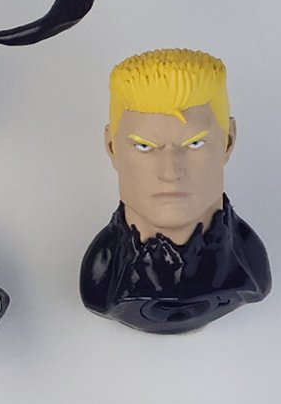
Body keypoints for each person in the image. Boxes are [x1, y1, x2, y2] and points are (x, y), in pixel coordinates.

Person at [79, 49, 270, 333]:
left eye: (194, 144)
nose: (169, 172)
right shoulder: (103, 276)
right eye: (144, 146)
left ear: (228, 141)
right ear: (112, 147)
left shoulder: (249, 267)